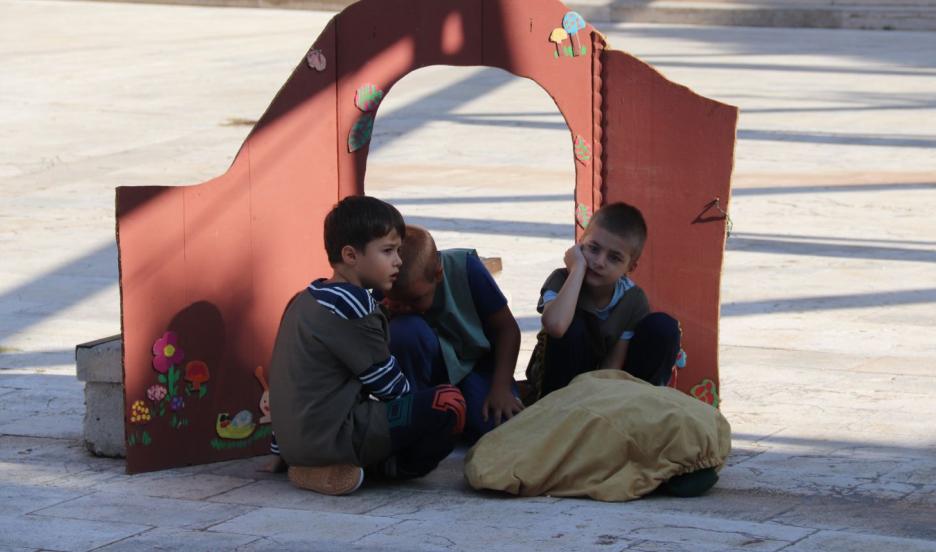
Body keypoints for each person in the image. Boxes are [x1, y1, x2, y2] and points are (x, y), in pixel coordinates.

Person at [266, 196, 466, 495]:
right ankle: (387, 469)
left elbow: (288, 384)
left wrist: (279, 451)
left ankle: (317, 468)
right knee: (449, 403)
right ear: (350, 255)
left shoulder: (305, 298)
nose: (398, 260)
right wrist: (420, 414)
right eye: (387, 251)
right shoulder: (354, 304)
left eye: (398, 251)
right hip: (331, 438)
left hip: (294, 444)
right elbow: (391, 388)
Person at [526, 202, 682, 402]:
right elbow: (556, 326)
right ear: (580, 243)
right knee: (571, 326)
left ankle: (644, 409)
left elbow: (613, 365)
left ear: (630, 268)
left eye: (614, 258)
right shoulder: (561, 279)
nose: (599, 262)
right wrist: (577, 269)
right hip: (558, 385)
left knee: (663, 327)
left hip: (606, 386)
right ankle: (556, 412)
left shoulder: (633, 299)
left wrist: (600, 403)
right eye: (593, 248)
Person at [380, 225, 524, 438]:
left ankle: (449, 416)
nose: (403, 307)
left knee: (499, 425)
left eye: (414, 300)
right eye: (395, 300)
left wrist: (500, 388)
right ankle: (414, 409)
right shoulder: (381, 278)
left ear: (438, 275)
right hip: (428, 372)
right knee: (404, 330)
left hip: (476, 367)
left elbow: (508, 330)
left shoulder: (467, 269)